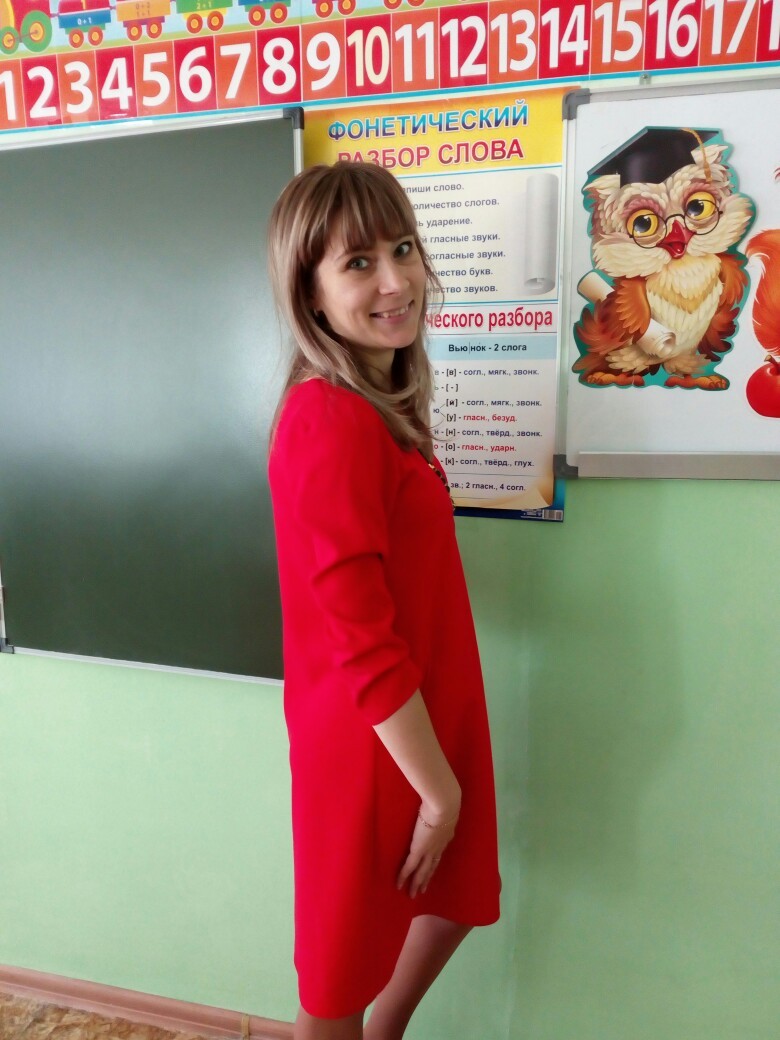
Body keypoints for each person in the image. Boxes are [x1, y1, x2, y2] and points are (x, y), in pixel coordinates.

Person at [267, 160, 500, 1040]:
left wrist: (442, 781)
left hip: (423, 715)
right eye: (358, 262)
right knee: (341, 977)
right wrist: (436, 791)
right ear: (312, 293)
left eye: (402, 249)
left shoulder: (379, 407)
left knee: (449, 900)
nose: (397, 281)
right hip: (371, 744)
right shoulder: (326, 418)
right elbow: (358, 637)